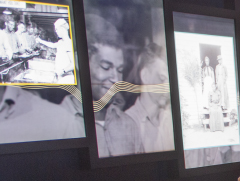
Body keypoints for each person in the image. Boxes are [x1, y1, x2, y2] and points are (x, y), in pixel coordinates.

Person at [61, 14, 139, 157]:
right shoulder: (57, 124)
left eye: (120, 70)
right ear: (80, 63)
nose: (116, 79)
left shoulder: (129, 125)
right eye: (105, 67)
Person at [125, 42, 175, 153]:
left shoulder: (171, 119)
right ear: (145, 76)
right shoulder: (127, 122)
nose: (167, 88)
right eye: (162, 78)